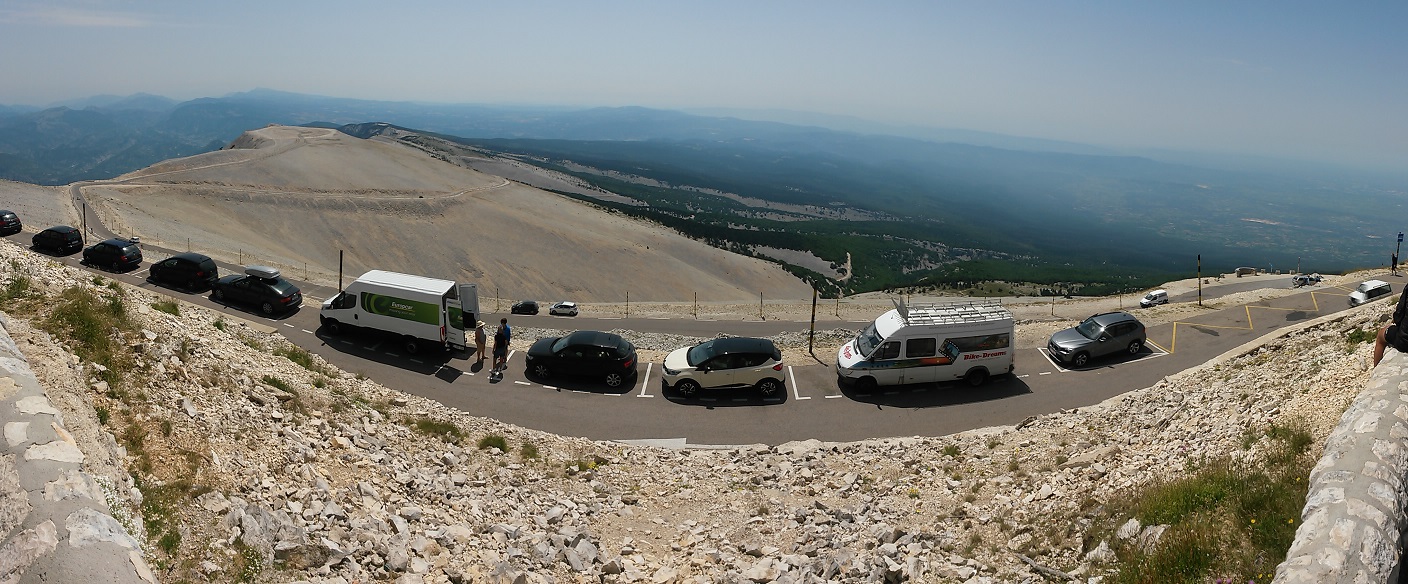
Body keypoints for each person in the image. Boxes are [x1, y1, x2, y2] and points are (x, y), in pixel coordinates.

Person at [1373, 284, 1408, 365]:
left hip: (1404, 341)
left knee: (1380, 335)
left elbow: (1399, 315)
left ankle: (1376, 367)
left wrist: (1395, 320)